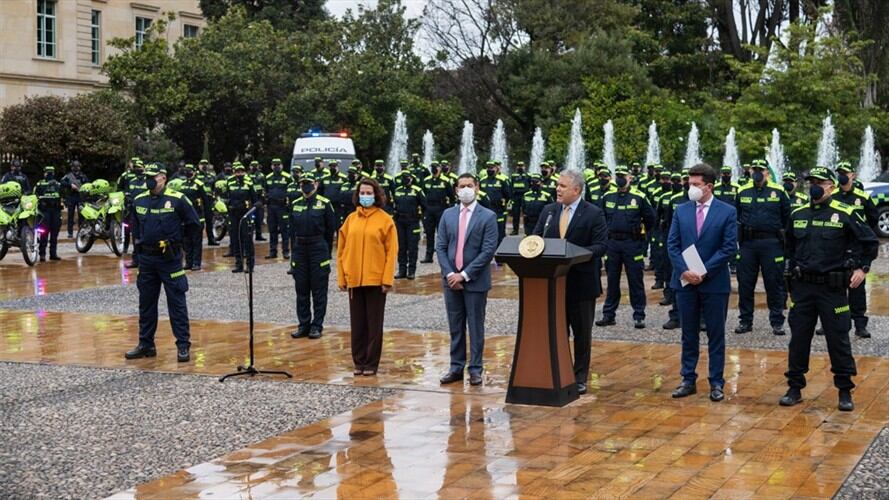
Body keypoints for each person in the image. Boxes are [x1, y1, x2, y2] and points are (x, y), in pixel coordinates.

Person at [781, 167, 878, 411]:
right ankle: (794, 387)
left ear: (831, 187)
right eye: (811, 181)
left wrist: (862, 269)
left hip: (832, 289)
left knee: (838, 338)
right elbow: (789, 247)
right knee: (799, 338)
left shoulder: (845, 213)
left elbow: (869, 242)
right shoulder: (798, 213)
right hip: (803, 288)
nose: (814, 186)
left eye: (820, 182)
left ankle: (844, 390)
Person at [533, 169, 608, 394]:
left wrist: (574, 254)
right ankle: (559, 370)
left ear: (576, 190)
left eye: (563, 186)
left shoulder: (593, 213)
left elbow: (601, 245)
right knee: (557, 331)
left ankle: (579, 376)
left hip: (581, 284)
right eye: (557, 185)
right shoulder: (548, 211)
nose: (557, 189)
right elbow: (536, 238)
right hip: (553, 283)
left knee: (582, 333)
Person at [667, 163, 738, 403]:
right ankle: (688, 378)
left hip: (714, 283)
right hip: (685, 282)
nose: (691, 187)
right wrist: (685, 271)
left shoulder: (727, 211)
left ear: (708, 186)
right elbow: (672, 244)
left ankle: (716, 382)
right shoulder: (681, 210)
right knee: (689, 333)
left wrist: (703, 271)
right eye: (690, 183)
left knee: (716, 334)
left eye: (696, 184)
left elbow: (728, 248)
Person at [125, 164, 201, 363]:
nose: (149, 180)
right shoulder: (139, 199)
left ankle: (183, 345)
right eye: (147, 176)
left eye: (153, 176)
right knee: (146, 303)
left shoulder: (178, 199)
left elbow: (194, 225)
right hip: (147, 260)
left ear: (163, 178)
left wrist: (180, 246)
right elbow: (135, 228)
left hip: (170, 259)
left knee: (176, 302)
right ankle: (146, 344)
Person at [436, 173, 499, 386]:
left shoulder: (488, 216)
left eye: (469, 185)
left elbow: (488, 249)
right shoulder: (447, 215)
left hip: (475, 280)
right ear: (455, 190)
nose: (465, 189)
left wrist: (464, 274)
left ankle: (475, 369)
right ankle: (456, 367)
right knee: (455, 326)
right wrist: (450, 274)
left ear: (477, 188)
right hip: (450, 280)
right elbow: (441, 246)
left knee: (475, 326)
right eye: (461, 186)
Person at [337, 178, 398, 376]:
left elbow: (391, 252)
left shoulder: (385, 220)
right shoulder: (350, 220)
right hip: (354, 279)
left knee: (374, 324)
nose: (365, 196)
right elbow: (341, 251)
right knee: (358, 324)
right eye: (362, 193)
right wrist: (342, 277)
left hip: (375, 280)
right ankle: (358, 361)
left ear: (376, 195)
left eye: (368, 193)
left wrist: (387, 279)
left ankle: (371, 363)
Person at [734, 160, 791, 336]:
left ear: (767, 172)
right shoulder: (742, 191)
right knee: (745, 284)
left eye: (761, 170)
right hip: (748, 244)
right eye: (755, 169)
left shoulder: (779, 191)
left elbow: (787, 218)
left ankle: (777, 322)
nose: (757, 172)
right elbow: (736, 216)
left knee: (774, 283)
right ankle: (745, 321)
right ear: (750, 171)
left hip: (771, 243)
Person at [596, 165, 656, 329]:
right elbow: (600, 219)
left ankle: (639, 315)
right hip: (613, 244)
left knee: (635, 280)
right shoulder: (607, 197)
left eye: (624, 175)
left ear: (630, 177)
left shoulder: (639, 196)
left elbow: (651, 219)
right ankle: (609, 315)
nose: (620, 177)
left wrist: (641, 236)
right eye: (618, 175)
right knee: (612, 280)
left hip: (632, 244)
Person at [832, 162, 878, 339]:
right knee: (834, 288)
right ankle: (833, 322)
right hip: (837, 247)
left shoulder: (862, 196)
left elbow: (872, 219)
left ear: (853, 175)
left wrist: (862, 234)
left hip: (857, 248)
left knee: (856, 288)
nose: (842, 175)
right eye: (839, 172)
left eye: (845, 172)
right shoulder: (833, 195)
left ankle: (860, 325)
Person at [289, 173, 336, 339]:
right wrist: (293, 255)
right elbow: (291, 232)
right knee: (301, 289)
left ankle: (317, 325)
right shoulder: (295, 204)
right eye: (302, 183)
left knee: (318, 290)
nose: (305, 186)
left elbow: (331, 230)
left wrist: (326, 252)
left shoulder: (324, 204)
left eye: (308, 183)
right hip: (300, 250)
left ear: (315, 184)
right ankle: (303, 324)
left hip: (318, 249)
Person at [177, 164, 212, 271]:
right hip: (185, 218)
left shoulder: (199, 184)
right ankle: (189, 262)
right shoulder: (182, 184)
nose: (188, 172)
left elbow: (206, 201)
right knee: (186, 242)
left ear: (194, 172)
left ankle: (196, 263)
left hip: (197, 216)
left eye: (190, 171)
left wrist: (207, 216)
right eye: (186, 171)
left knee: (196, 241)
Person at [393, 170, 426, 279]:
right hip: (400, 222)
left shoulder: (417, 190)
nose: (405, 179)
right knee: (401, 247)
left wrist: (420, 216)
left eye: (407, 177)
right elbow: (394, 204)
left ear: (412, 178)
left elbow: (424, 205)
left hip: (413, 222)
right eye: (403, 177)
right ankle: (402, 271)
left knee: (412, 247)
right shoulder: (397, 190)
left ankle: (411, 271)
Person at [227, 162, 259, 273]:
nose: (239, 173)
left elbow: (256, 200)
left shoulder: (249, 183)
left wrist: (252, 209)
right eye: (237, 171)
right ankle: (238, 264)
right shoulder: (229, 183)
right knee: (235, 239)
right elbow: (226, 197)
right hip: (233, 214)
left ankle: (250, 265)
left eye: (241, 171)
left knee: (247, 239)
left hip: (245, 215)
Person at [421, 162, 454, 263]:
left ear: (440, 168)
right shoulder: (426, 180)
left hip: (441, 208)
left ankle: (444, 256)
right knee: (429, 233)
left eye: (435, 167)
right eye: (432, 167)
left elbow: (452, 196)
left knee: (442, 233)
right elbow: (422, 195)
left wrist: (450, 209)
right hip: (429, 209)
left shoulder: (445, 181)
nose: (434, 169)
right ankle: (428, 256)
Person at [264, 158, 292, 259]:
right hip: (271, 207)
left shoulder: (288, 177)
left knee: (285, 230)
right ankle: (273, 251)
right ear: (271, 166)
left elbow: (292, 190)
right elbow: (265, 191)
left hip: (282, 207)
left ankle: (285, 251)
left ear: (282, 166)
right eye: (274, 165)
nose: (276, 167)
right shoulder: (268, 177)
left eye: (278, 165)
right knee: (272, 230)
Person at [34, 166, 62, 261]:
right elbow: (35, 196)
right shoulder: (40, 184)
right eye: (48, 172)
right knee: (44, 233)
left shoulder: (58, 184)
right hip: (44, 211)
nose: (49, 174)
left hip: (56, 210)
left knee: (54, 233)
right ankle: (42, 254)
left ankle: (53, 254)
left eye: (50, 172)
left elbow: (62, 196)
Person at [61, 160, 89, 238]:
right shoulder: (68, 176)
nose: (76, 168)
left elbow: (88, 184)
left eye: (78, 166)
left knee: (81, 216)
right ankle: (70, 233)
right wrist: (70, 185)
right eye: (75, 167)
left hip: (80, 197)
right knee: (70, 215)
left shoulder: (83, 176)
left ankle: (81, 232)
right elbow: (62, 182)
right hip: (71, 197)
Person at [509, 161, 529, 235]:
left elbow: (529, 185)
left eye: (521, 166)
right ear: (516, 167)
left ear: (524, 166)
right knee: (515, 214)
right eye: (518, 166)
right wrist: (511, 197)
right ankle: (515, 230)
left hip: (524, 196)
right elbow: (511, 186)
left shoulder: (527, 175)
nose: (520, 167)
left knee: (526, 214)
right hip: (516, 196)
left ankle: (526, 230)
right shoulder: (513, 175)